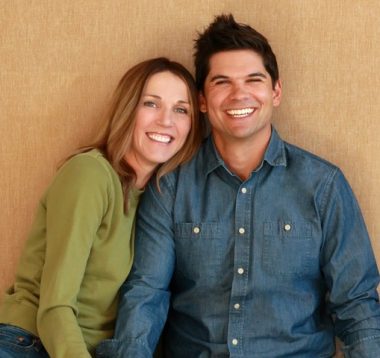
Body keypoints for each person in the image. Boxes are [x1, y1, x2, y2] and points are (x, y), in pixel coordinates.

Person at [96, 15, 380, 358]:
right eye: (222, 82)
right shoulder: (170, 187)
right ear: (202, 100)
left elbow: (356, 306)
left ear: (275, 91)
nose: (239, 94)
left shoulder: (324, 186)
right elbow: (146, 294)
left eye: (253, 79)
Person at [0, 57, 204, 358]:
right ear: (128, 109)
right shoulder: (90, 175)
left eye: (181, 109)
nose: (166, 120)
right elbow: (55, 307)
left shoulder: (159, 200)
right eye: (151, 104)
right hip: (30, 342)